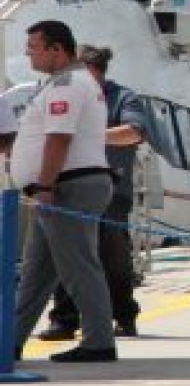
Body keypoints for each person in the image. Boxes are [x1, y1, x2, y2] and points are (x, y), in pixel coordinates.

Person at [12, 20, 116, 363]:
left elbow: (59, 138)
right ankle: (9, 341)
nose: (28, 54)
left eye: (34, 47)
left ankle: (99, 341)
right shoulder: (64, 82)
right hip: (62, 184)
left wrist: (44, 185)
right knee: (36, 272)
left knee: (78, 266)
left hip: (67, 186)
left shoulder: (67, 84)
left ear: (57, 49)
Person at [37, 46, 147, 342]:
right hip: (68, 186)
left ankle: (123, 315)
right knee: (66, 253)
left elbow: (134, 132)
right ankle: (64, 319)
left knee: (113, 256)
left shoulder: (123, 98)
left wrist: (88, 134)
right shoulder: (63, 93)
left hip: (110, 189)